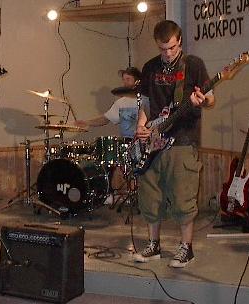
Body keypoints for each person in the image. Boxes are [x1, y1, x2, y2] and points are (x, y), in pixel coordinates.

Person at [133, 20, 215, 268]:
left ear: (179, 41)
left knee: (182, 196)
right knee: (150, 195)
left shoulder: (194, 65)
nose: (167, 53)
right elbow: (146, 104)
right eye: (162, 49)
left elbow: (211, 98)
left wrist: (202, 102)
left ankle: (185, 248)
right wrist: (141, 126)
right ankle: (153, 245)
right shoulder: (149, 67)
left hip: (182, 140)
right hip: (153, 140)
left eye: (171, 48)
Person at [74, 66, 141, 139]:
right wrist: (86, 122)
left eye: (128, 79)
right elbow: (105, 119)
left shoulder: (147, 99)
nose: (125, 83)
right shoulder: (121, 102)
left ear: (137, 81)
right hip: (128, 142)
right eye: (123, 80)